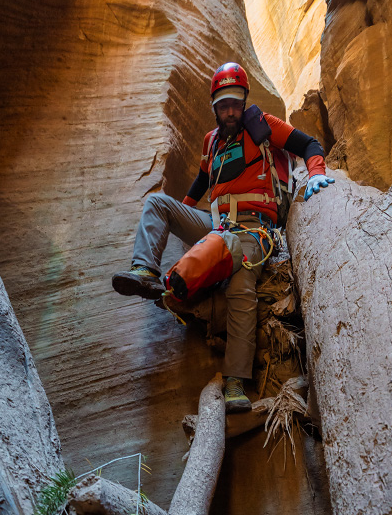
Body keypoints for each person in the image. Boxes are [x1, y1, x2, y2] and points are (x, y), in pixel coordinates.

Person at [112, 62, 334, 412]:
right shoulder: (211, 142)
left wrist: (318, 173)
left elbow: (308, 144)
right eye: (223, 105)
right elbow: (201, 183)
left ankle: (235, 382)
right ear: (214, 106)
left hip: (254, 229)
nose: (230, 111)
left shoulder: (260, 126)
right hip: (215, 223)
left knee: (241, 282)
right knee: (157, 202)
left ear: (244, 101)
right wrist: (179, 216)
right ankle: (145, 272)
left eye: (235, 103)